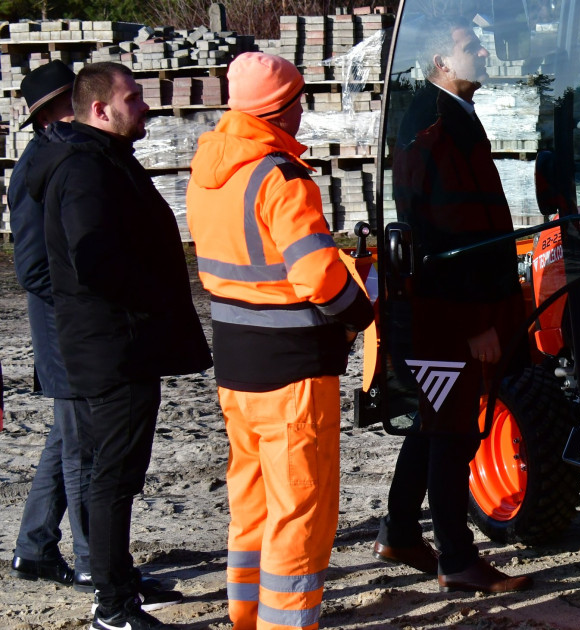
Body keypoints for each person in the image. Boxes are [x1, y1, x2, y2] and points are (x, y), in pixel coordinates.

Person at [185, 52, 373, 630]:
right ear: (283, 109)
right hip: (292, 372)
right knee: (299, 512)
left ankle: (247, 616)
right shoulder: (279, 177)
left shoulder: (208, 169)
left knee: (252, 501)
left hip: (235, 367)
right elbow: (317, 274)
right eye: (299, 102)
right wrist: (361, 311)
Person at [26, 61, 212, 630]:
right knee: (114, 477)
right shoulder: (85, 169)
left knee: (112, 474)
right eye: (133, 98)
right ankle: (112, 606)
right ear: (100, 110)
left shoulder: (103, 159)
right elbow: (93, 260)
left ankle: (119, 583)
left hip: (115, 343)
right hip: (114, 348)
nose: (145, 105)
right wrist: (151, 300)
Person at [374, 16, 531, 594]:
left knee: (435, 420)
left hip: (450, 310)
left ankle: (399, 531)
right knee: (452, 432)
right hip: (448, 316)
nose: (484, 52)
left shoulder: (451, 117)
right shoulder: (434, 127)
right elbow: (443, 235)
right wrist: (476, 323)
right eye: (471, 46)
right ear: (441, 62)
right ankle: (458, 560)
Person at [8, 60, 92, 593]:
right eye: (71, 102)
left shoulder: (60, 158)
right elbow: (32, 268)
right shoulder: (36, 170)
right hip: (63, 328)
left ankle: (35, 546)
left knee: (66, 437)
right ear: (49, 115)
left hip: (67, 325)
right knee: (82, 445)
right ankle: (92, 562)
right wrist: (84, 308)